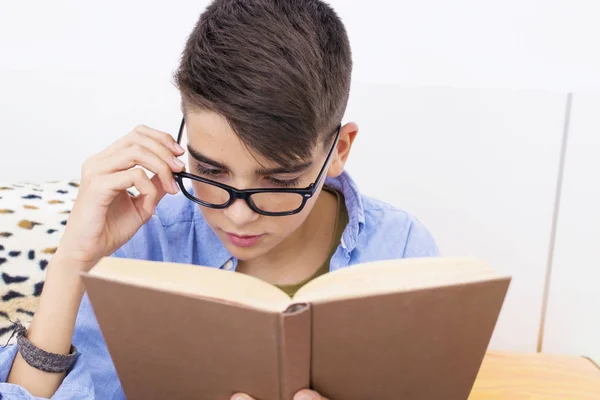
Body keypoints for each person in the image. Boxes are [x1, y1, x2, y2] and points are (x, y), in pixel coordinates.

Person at [0, 0, 439, 399]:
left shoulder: (400, 249)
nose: (237, 215)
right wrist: (72, 262)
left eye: (280, 181)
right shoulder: (151, 241)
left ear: (339, 150)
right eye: (210, 171)